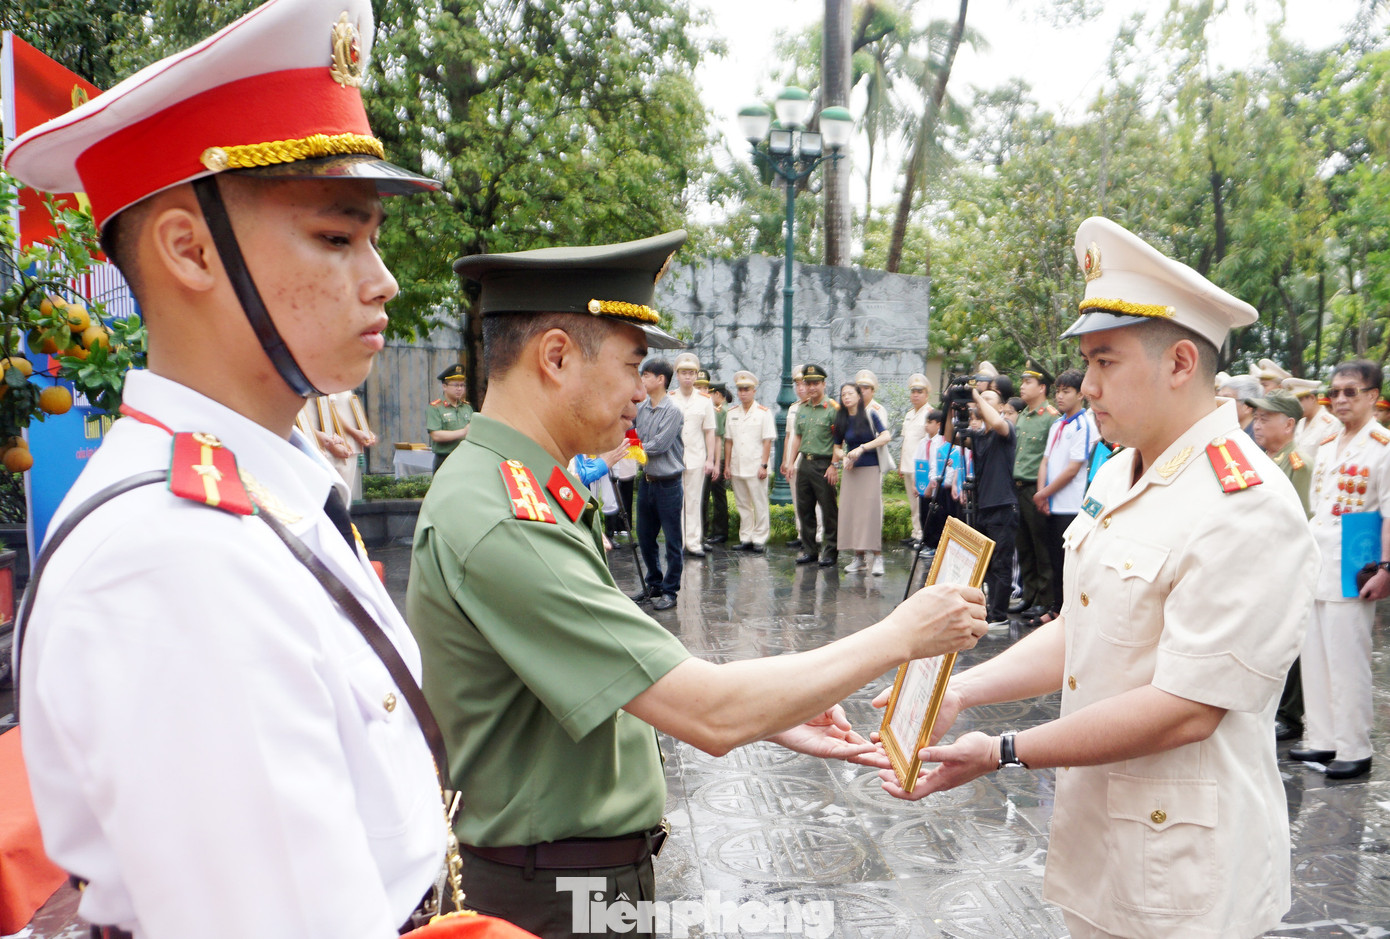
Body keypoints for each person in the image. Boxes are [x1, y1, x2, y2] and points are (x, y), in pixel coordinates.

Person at [5, 1, 454, 935]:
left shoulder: (252, 495)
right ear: (189, 249)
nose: (383, 280)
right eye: (337, 238)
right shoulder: (174, 557)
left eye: (371, 238)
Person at [407, 230, 989, 939]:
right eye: (631, 366)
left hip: (568, 875)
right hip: (546, 897)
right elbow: (707, 714)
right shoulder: (502, 516)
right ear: (555, 356)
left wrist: (776, 711)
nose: (640, 391)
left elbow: (622, 672)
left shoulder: (522, 490)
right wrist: (901, 634)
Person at [882, 217, 1317, 939]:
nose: (1085, 386)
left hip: (1184, 864)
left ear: (1181, 362)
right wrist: (961, 690)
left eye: (1105, 361)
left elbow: (1186, 707)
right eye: (1086, 363)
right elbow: (1084, 627)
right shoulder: (1118, 472)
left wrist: (1003, 751)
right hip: (1101, 835)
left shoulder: (1246, 505)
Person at [1294, 360, 1390, 780]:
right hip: (1318, 557)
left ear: (1373, 396)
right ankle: (1323, 738)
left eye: (1351, 392)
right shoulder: (1329, 441)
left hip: (1355, 560)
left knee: (1347, 658)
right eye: (1334, 392)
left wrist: (1386, 568)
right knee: (1313, 653)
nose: (1340, 400)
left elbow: (1389, 514)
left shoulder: (1381, 446)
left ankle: (1354, 747)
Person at [1246, 390, 1314, 743]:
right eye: (1256, 418)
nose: (1257, 424)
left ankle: (1290, 714)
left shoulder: (1298, 462)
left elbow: (1300, 520)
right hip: (1263, 560)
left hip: (1284, 563)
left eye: (1265, 419)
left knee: (1292, 642)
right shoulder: (1267, 460)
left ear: (1288, 424)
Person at [944, 385, 1017, 629]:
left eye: (988, 398)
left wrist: (975, 395)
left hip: (1003, 503)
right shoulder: (979, 436)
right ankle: (986, 610)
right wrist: (950, 405)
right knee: (984, 562)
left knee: (1000, 562)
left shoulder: (1005, 430)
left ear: (1000, 407)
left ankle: (999, 615)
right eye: (980, 397)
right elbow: (947, 438)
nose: (980, 400)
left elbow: (997, 424)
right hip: (983, 504)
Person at [1029, 368, 1096, 627]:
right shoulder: (1058, 423)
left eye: (1066, 391)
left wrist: (1044, 493)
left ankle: (1067, 611)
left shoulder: (1083, 424)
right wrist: (1041, 493)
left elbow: (1073, 467)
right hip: (1049, 503)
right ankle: (1055, 607)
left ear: (1080, 394)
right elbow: (1045, 460)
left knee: (1068, 562)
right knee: (1051, 560)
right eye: (1058, 391)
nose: (1060, 396)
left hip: (1069, 505)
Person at [630, 357, 684, 611]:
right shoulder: (641, 409)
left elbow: (659, 446)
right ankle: (654, 582)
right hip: (648, 482)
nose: (642, 380)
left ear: (661, 380)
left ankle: (671, 590)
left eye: (646, 375)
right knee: (644, 536)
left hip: (668, 484)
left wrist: (634, 449)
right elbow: (632, 435)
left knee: (672, 540)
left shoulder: (672, 411)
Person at [1011, 360, 1058, 622]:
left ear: (1042, 387)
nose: (1022, 386)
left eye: (1028, 382)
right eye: (1022, 381)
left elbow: (1051, 458)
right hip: (1017, 487)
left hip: (1035, 489)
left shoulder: (1050, 417)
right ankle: (1028, 595)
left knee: (1041, 546)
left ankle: (1045, 599)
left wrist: (1045, 491)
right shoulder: (1023, 417)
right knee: (1024, 545)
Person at [833, 382, 892, 575]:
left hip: (870, 468)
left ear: (859, 396)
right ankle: (859, 558)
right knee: (852, 513)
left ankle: (877, 557)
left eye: (850, 393)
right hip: (851, 471)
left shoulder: (870, 414)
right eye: (843, 395)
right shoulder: (841, 418)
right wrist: (845, 457)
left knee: (870, 513)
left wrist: (862, 448)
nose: (846, 397)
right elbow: (837, 446)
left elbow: (885, 436)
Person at [785, 365, 840, 567]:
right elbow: (797, 436)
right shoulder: (802, 408)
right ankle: (810, 550)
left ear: (824, 384)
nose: (811, 387)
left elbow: (838, 440)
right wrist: (791, 462)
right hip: (805, 464)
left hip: (824, 464)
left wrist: (834, 465)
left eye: (815, 383)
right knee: (805, 508)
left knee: (828, 510)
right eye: (808, 383)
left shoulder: (833, 409)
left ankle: (831, 551)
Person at [669, 352, 717, 557]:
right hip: (674, 457)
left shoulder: (705, 401)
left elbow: (710, 431)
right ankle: (677, 543)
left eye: (691, 373)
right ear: (677, 375)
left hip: (697, 457)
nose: (687, 377)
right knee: (675, 502)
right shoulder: (669, 399)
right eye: (683, 373)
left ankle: (694, 542)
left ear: (697, 375)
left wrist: (710, 459)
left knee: (694, 499)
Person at [723, 371, 775, 553]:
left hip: (755, 465)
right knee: (743, 504)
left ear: (754, 391)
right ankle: (746, 537)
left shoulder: (763, 413)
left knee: (759, 503)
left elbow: (767, 440)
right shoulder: (732, 413)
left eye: (746, 389)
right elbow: (728, 441)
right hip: (737, 465)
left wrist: (764, 464)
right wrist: (727, 465)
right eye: (740, 390)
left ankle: (759, 538)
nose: (743, 393)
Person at [298, 390, 377, 499]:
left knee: (342, 501)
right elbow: (325, 408)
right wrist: (331, 444)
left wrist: (358, 430)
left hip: (345, 445)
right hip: (321, 446)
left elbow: (335, 408)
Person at [898, 373, 933, 546]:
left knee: (921, 503)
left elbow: (929, 443)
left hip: (920, 466)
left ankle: (922, 535)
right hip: (907, 464)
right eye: (913, 392)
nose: (916, 395)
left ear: (927, 394)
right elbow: (906, 441)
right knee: (913, 504)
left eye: (920, 392)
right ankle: (915, 532)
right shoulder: (910, 413)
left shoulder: (929, 414)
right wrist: (900, 464)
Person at [428, 364, 474, 471]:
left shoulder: (467, 407)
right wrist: (463, 432)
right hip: (445, 459)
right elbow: (436, 435)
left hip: (465, 458)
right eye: (456, 385)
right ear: (444, 386)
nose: (459, 389)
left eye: (462, 385)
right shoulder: (436, 408)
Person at [701, 377, 731, 546]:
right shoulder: (719, 409)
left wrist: (717, 462)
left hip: (716, 458)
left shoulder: (719, 411)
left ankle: (718, 531)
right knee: (712, 496)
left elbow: (720, 437)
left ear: (717, 394)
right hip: (713, 458)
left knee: (715, 496)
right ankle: (713, 531)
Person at [1285, 376, 1341, 453]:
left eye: (1298, 401)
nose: (1294, 407)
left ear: (1312, 398)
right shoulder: (1300, 422)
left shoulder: (1330, 424)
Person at [1217, 373, 1261, 440]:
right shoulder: (1224, 432)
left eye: (1226, 399)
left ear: (1247, 407)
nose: (1218, 404)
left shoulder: (1259, 438)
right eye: (1218, 398)